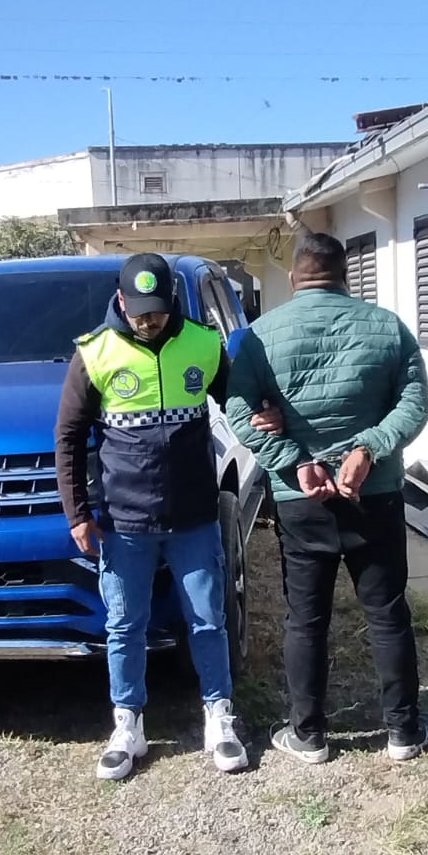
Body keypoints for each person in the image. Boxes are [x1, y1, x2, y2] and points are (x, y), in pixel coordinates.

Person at [55, 252, 279, 780]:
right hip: (125, 522)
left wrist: (265, 409)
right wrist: (77, 514)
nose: (147, 320)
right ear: (121, 301)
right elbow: (68, 438)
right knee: (124, 624)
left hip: (194, 515)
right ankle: (127, 723)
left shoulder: (203, 343)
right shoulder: (94, 353)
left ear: (171, 303)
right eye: (137, 311)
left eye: (155, 311)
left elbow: (238, 404)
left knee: (207, 619)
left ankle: (219, 715)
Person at [225, 232, 428, 764]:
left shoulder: (256, 338)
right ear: (345, 275)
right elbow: (416, 405)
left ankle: (310, 735)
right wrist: (369, 447)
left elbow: (237, 416)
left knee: (306, 618)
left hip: (301, 498)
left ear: (294, 277)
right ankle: (403, 733)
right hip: (375, 491)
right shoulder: (388, 327)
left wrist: (296, 459)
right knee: (387, 613)